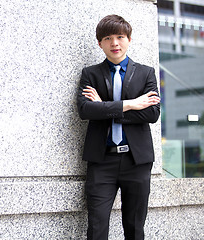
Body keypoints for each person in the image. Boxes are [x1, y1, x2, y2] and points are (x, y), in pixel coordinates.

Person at [76, 15, 161, 240]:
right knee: (97, 228)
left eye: (120, 37)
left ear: (129, 40)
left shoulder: (146, 73)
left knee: (134, 228)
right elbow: (85, 111)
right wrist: (130, 104)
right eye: (108, 38)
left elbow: (152, 113)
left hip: (137, 161)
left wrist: (104, 108)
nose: (115, 43)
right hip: (101, 161)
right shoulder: (90, 74)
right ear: (100, 43)